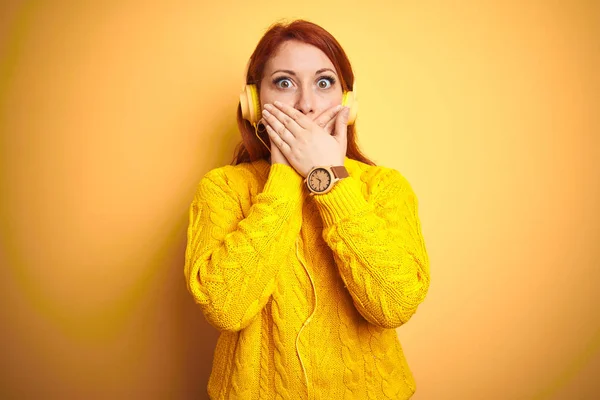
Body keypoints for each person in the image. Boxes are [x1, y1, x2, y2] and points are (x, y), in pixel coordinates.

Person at [184, 19, 431, 400]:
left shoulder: (384, 187)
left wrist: (330, 179)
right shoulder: (222, 188)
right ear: (254, 102)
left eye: (323, 82)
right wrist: (283, 177)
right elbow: (225, 309)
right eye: (284, 82)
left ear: (346, 103)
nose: (305, 103)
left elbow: (393, 306)